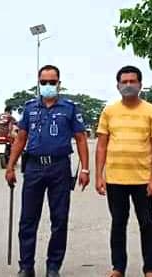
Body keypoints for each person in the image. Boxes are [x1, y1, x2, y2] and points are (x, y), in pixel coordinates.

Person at [5, 65, 90, 277]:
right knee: (27, 219)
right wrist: (10, 166)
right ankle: (26, 266)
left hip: (59, 167)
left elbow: (80, 138)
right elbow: (21, 137)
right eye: (44, 82)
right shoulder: (30, 108)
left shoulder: (70, 108)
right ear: (38, 83)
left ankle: (53, 266)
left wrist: (85, 169)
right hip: (33, 167)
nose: (48, 86)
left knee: (59, 219)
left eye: (52, 82)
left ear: (59, 83)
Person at [95, 65, 152, 277]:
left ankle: (149, 268)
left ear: (140, 85)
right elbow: (101, 145)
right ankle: (118, 267)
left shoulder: (151, 111)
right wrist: (99, 175)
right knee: (118, 224)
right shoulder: (109, 111)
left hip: (143, 179)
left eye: (132, 81)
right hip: (116, 179)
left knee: (146, 223)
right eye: (124, 82)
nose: (128, 85)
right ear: (117, 85)